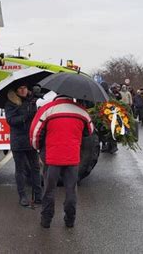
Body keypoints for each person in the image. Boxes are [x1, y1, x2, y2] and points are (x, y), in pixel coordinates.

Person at [30, 95, 93, 229]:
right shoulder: (81, 111)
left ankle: (46, 220)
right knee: (71, 190)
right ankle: (70, 220)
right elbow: (90, 131)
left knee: (49, 190)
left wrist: (38, 148)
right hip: (72, 157)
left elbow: (35, 133)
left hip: (52, 158)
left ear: (57, 96)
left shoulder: (47, 109)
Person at [4, 84, 42, 207]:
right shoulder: (10, 103)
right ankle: (23, 196)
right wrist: (25, 117)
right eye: (20, 88)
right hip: (18, 141)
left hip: (31, 139)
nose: (23, 90)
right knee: (20, 170)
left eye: (25, 88)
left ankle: (38, 194)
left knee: (35, 168)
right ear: (16, 91)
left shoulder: (33, 100)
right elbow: (11, 120)